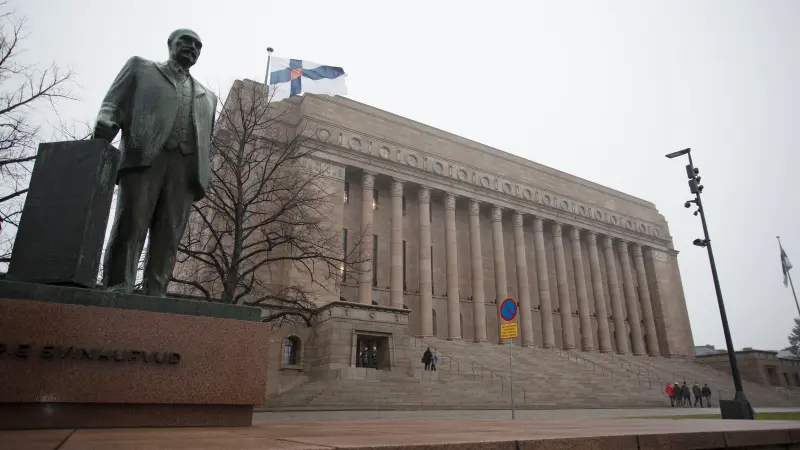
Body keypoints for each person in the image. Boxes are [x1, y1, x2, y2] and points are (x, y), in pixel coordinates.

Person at [94, 29, 218, 297]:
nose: (192, 48)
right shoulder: (140, 68)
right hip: (145, 157)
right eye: (185, 41)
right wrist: (106, 121)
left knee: (169, 236)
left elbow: (205, 137)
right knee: (131, 223)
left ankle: (156, 293)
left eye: (198, 45)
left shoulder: (208, 96)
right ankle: (118, 285)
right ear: (170, 44)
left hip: (185, 170)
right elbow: (113, 103)